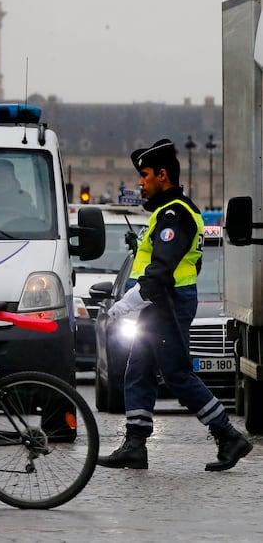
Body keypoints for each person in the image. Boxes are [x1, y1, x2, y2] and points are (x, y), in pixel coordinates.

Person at [98, 138, 253, 471]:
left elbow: (163, 268)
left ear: (163, 175)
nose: (140, 182)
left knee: (177, 374)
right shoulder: (168, 213)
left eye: (145, 175)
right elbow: (188, 263)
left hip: (165, 304)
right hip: (159, 304)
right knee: (138, 371)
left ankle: (228, 435)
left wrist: (129, 301)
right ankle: (135, 444)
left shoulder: (175, 214)